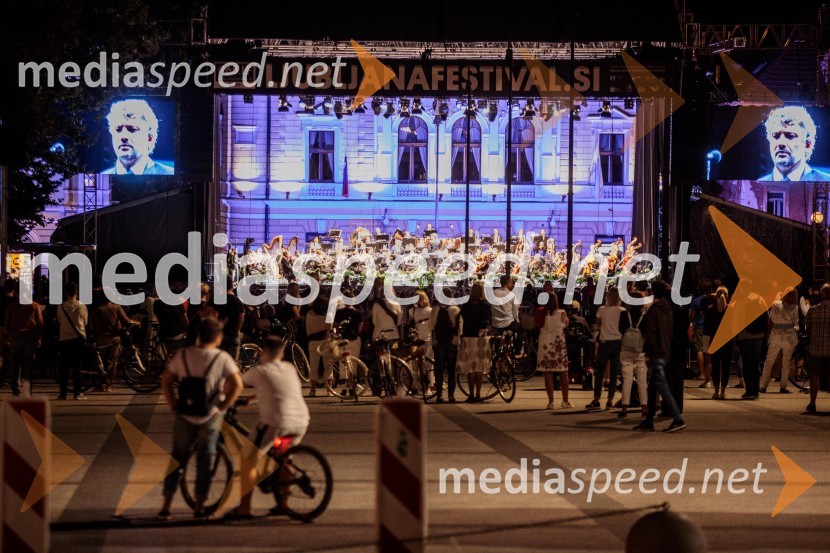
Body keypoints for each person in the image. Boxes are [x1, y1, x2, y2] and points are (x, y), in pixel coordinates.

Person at [159, 318, 243, 519]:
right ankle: (199, 506)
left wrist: (173, 404)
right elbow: (237, 385)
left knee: (178, 458)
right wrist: (221, 407)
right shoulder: (222, 358)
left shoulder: (183, 355)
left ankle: (166, 506)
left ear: (199, 335)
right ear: (218, 337)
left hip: (184, 414)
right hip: (210, 416)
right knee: (205, 460)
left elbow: (166, 380)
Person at [229, 337, 310, 518]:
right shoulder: (289, 368)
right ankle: (283, 504)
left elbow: (236, 384)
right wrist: (254, 398)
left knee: (248, 460)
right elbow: (278, 390)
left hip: (276, 423)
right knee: (284, 459)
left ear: (263, 353)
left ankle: (244, 508)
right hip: (301, 421)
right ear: (281, 354)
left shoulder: (259, 371)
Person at [634, 281, 686, 433]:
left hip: (656, 352)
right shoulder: (667, 309)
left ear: (652, 292)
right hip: (665, 350)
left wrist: (648, 352)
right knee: (654, 387)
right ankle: (649, 420)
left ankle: (677, 418)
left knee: (662, 386)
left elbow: (650, 333)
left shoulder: (654, 310)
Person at [758, 106, 830, 182]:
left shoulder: (827, 182)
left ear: (807, 145)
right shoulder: (756, 186)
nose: (781, 143)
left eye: (790, 136)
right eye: (776, 136)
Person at [102, 99, 174, 175]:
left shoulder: (170, 174)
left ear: (149, 138)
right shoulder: (101, 178)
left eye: (132, 129)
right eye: (118, 130)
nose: (123, 136)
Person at [90, 294, 139, 392]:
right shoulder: (117, 308)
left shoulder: (96, 310)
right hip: (114, 339)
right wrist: (137, 323)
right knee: (113, 363)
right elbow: (126, 321)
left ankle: (100, 385)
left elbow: (91, 327)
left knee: (102, 364)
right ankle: (109, 386)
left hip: (101, 340)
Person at [586, 287, 624, 410]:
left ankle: (596, 399)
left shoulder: (602, 310)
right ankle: (610, 400)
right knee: (613, 373)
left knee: (600, 372)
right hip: (617, 342)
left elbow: (598, 325)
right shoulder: (622, 310)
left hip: (604, 342)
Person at [4, 283, 44, 396]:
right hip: (29, 338)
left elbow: (7, 324)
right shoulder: (35, 306)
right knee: (28, 366)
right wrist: (39, 338)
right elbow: (40, 323)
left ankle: (15, 388)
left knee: (15, 365)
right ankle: (28, 390)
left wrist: (9, 336)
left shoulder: (12, 307)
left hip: (15, 338)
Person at [534, 291, 571, 410]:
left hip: (545, 344)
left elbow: (538, 325)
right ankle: (565, 401)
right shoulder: (562, 313)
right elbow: (566, 324)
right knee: (563, 372)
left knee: (548, 373)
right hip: (558, 344)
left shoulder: (540, 312)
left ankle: (551, 402)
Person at [760, 287, 799, 394]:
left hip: (776, 334)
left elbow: (771, 318)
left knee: (769, 361)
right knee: (786, 362)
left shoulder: (777, 304)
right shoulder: (794, 307)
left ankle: (763, 386)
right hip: (789, 336)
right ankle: (783, 386)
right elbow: (795, 323)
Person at [457, 283, 491, 402]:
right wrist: (483, 328)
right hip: (480, 338)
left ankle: (470, 394)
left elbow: (461, 320)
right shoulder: (485, 306)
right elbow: (488, 320)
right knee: (479, 368)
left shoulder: (465, 306)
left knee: (470, 369)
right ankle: (478, 394)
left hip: (467, 337)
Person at [735, 279, 768, 400]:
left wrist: (736, 339)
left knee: (747, 364)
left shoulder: (740, 301)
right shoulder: (760, 299)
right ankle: (756, 391)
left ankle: (749, 390)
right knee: (755, 363)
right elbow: (767, 317)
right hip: (758, 336)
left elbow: (736, 321)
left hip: (745, 336)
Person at [55, 282, 89, 400]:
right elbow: (85, 322)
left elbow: (59, 321)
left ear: (65, 293)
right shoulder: (82, 306)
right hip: (78, 340)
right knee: (77, 367)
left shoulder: (60, 307)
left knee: (63, 368)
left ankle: (63, 393)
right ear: (76, 292)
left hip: (64, 339)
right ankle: (77, 393)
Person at [618, 290, 647, 418]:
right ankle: (644, 407)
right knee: (642, 379)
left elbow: (620, 329)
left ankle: (624, 407)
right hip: (641, 349)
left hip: (626, 349)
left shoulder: (624, 314)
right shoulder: (644, 316)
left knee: (627, 379)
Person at [430, 289, 461, 403]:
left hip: (439, 342)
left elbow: (431, 326)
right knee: (452, 370)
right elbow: (459, 328)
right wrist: (457, 341)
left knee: (439, 370)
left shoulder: (435, 309)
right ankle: (451, 395)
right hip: (452, 343)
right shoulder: (456, 309)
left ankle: (439, 395)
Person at [805, 283, 830, 413]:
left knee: (814, 376)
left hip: (815, 348)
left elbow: (807, 328)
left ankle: (812, 403)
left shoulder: (813, 310)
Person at [708, 287, 734, 400]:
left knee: (715, 367)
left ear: (716, 296)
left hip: (714, 341)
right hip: (728, 342)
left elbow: (707, 329)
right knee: (726, 367)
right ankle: (723, 391)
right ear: (727, 296)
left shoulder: (710, 310)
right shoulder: (731, 309)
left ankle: (716, 391)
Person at [215, 278, 245, 362]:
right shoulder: (238, 301)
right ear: (232, 286)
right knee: (231, 364)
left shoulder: (218, 300)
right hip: (233, 334)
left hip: (220, 335)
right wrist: (237, 329)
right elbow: (241, 318)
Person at [305, 296, 330, 397]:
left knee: (314, 366)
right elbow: (330, 327)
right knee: (328, 365)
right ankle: (329, 390)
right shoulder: (327, 315)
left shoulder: (309, 314)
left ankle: (313, 390)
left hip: (313, 341)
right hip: (325, 340)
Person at [689, 279, 712, 381]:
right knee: (708, 351)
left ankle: (702, 373)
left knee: (699, 350)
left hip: (699, 327)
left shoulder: (696, 301)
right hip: (709, 328)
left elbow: (692, 316)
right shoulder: (712, 299)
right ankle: (708, 373)